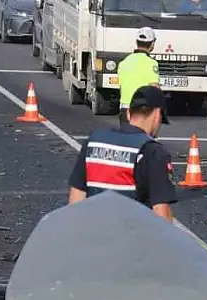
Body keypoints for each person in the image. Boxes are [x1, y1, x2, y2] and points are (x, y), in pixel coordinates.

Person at [68, 86, 177, 222]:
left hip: (93, 234)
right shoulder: (153, 151)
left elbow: (76, 199)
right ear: (157, 115)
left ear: (128, 114)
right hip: (130, 237)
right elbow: (161, 215)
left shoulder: (94, 142)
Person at [116, 27, 162, 126]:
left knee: (126, 140)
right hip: (141, 111)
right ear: (152, 44)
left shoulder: (124, 62)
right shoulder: (151, 63)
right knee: (142, 140)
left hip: (124, 110)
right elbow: (154, 87)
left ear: (137, 42)